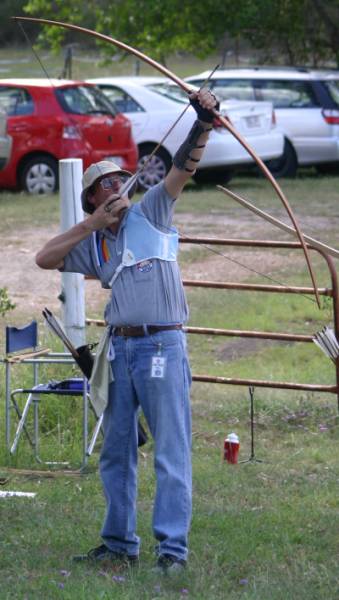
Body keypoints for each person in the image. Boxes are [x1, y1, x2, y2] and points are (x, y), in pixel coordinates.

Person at [35, 87, 219, 574]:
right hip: (120, 351)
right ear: (93, 198)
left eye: (120, 179)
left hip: (161, 343)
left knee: (170, 453)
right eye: (106, 185)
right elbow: (44, 258)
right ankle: (119, 543)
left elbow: (182, 169)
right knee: (117, 451)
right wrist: (90, 224)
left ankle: (172, 553)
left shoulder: (152, 209)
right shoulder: (93, 243)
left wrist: (201, 122)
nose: (117, 186)